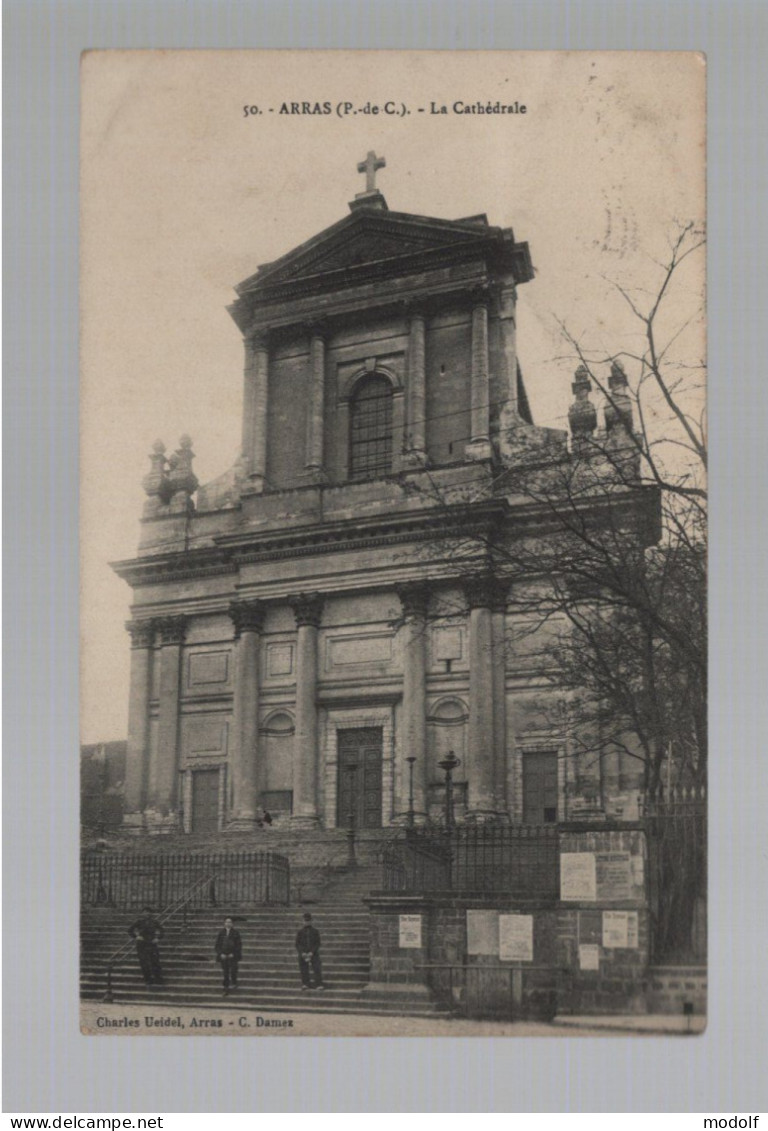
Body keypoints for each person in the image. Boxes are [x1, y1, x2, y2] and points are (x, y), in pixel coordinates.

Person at [128, 906, 164, 986]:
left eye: (149, 912)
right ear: (142, 913)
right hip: (142, 944)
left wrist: (158, 938)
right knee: (144, 962)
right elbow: (130, 930)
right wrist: (136, 936)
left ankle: (158, 978)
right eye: (145, 912)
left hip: (152, 943)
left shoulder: (154, 922)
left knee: (155, 961)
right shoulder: (139, 922)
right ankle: (148, 979)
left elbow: (162, 931)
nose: (147, 914)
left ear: (151, 913)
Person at [295, 912, 324, 991]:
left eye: (308, 920)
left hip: (313, 953)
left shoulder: (315, 931)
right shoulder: (300, 932)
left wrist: (312, 952)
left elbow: (317, 943)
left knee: (317, 967)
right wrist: (302, 953)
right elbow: (297, 944)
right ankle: (305, 983)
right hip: (303, 953)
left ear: (311, 921)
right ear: (303, 921)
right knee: (303, 968)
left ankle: (319, 984)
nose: (307, 922)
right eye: (305, 920)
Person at [214, 916, 242, 995]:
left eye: (230, 922)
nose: (228, 924)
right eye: (226, 922)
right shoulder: (221, 933)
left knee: (233, 970)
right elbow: (217, 945)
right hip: (224, 955)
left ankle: (234, 982)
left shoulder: (236, 933)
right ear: (224, 923)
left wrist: (233, 954)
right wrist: (220, 954)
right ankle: (225, 988)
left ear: (232, 924)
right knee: (225, 972)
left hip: (233, 955)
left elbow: (238, 945)